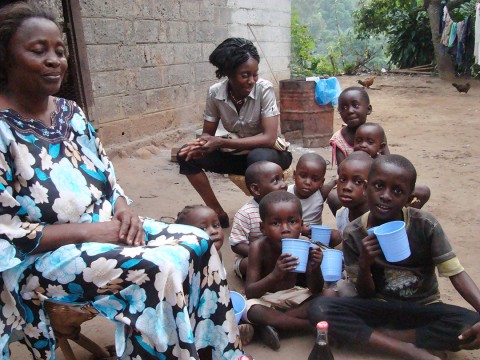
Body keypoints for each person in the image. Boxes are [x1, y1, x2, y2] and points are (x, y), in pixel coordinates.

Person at [0, 2, 244, 359]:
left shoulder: (71, 112)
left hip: (108, 229)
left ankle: (218, 353)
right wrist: (89, 232)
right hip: (43, 260)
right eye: (39, 51)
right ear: (6, 58)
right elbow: (6, 233)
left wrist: (123, 207)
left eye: (60, 51)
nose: (54, 60)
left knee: (198, 240)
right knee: (158, 268)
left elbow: (107, 178)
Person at [308, 155, 480, 360]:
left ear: (409, 198)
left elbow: (456, 273)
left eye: (397, 191)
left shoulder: (425, 224)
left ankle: (385, 337)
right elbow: (364, 294)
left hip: (423, 307)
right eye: (379, 186)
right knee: (320, 308)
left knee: (472, 324)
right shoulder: (354, 232)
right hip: (379, 306)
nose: (386, 196)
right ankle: (409, 350)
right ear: (366, 187)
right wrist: (364, 265)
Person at [177, 38, 292, 228]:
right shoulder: (215, 93)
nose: (252, 80)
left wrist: (221, 143)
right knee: (186, 155)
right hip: (237, 157)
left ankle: (269, 218)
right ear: (229, 74)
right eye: (245, 75)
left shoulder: (264, 89)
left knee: (258, 156)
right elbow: (208, 134)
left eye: (255, 74)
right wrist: (199, 145)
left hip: (271, 156)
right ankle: (216, 211)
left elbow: (269, 138)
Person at [244, 191, 324, 350]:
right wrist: (275, 275)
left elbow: (315, 289)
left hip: (296, 296)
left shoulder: (306, 245)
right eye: (275, 223)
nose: (285, 229)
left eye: (293, 221)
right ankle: (312, 327)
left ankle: (277, 325)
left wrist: (315, 269)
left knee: (328, 296)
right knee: (252, 309)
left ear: (301, 225)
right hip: (266, 299)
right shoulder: (258, 248)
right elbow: (251, 292)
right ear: (263, 228)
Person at [175, 204, 255, 346]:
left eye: (216, 225)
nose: (213, 232)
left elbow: (218, 282)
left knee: (242, 304)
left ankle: (249, 327)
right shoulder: (188, 262)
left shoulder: (216, 254)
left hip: (210, 304)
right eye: (203, 229)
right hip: (193, 313)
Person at [229, 161, 287, 279]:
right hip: (253, 257)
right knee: (251, 263)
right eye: (276, 180)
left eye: (283, 179)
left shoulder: (286, 207)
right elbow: (236, 244)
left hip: (281, 255)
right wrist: (261, 253)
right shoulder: (246, 213)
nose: (283, 185)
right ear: (256, 189)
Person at [353, 122, 431, 209]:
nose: (363, 145)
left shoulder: (383, 163)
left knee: (423, 191)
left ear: (381, 147)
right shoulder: (353, 162)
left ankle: (408, 212)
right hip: (367, 196)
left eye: (370, 142)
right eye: (359, 141)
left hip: (388, 193)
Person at [287, 153, 332, 237]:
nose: (308, 182)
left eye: (315, 179)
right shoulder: (286, 192)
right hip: (293, 233)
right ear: (294, 175)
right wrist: (299, 229)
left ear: (322, 182)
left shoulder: (321, 193)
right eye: (303, 176)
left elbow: (334, 183)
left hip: (315, 235)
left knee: (336, 235)